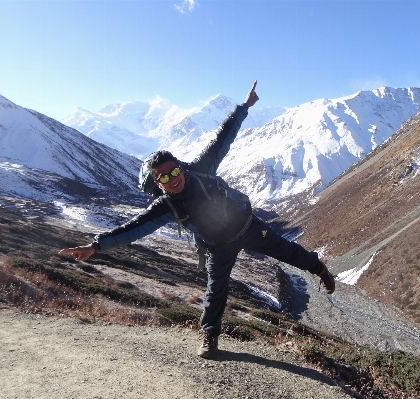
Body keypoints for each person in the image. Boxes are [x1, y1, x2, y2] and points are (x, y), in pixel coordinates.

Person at [59, 81, 335, 358]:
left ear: (180, 166)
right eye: (164, 177)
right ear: (157, 183)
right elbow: (133, 229)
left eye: (174, 171)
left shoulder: (202, 169)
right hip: (218, 245)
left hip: (248, 226)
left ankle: (320, 270)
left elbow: (223, 136)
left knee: (289, 252)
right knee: (216, 291)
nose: (172, 179)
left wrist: (244, 107)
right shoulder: (165, 206)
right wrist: (95, 246)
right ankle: (210, 337)